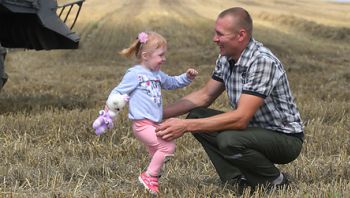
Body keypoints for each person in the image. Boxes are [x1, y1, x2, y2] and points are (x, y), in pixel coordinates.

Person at [155, 7, 304, 191]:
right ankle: (238, 180)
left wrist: (184, 126)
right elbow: (205, 96)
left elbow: (241, 118)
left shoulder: (261, 61)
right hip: (253, 131)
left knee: (229, 139)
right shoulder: (226, 58)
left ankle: (276, 182)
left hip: (284, 138)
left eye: (220, 34)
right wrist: (157, 113)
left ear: (240, 35)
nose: (214, 39)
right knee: (197, 115)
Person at [107, 31, 198, 195]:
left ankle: (150, 183)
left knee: (160, 151)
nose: (164, 59)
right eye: (161, 55)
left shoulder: (157, 75)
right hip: (142, 125)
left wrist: (187, 77)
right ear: (146, 55)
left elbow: (171, 82)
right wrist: (107, 114)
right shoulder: (134, 74)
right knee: (168, 147)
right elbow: (117, 93)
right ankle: (149, 176)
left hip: (154, 124)